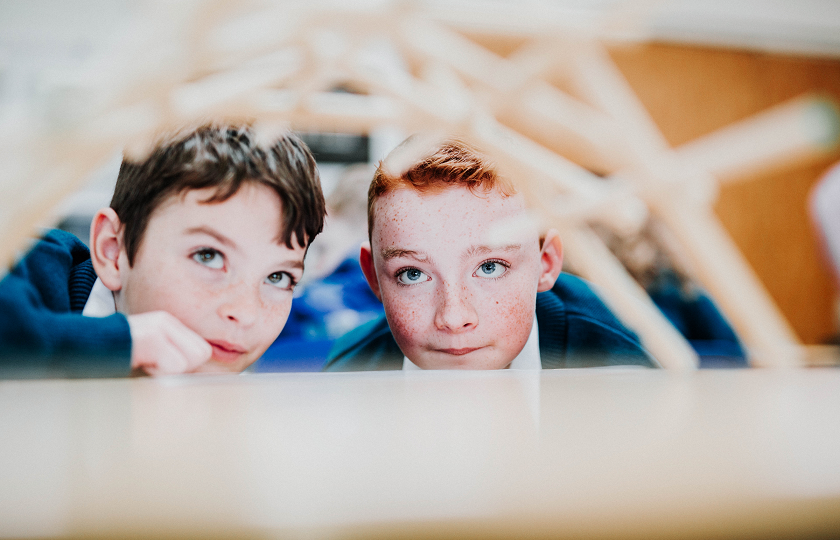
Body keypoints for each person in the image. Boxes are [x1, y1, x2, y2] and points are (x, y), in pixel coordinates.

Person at [0, 124, 326, 378]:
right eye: (208, 255)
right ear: (113, 250)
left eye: (278, 276)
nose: (245, 313)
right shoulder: (31, 263)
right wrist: (119, 344)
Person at [324, 138, 655, 371]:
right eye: (412, 274)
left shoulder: (619, 361)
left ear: (546, 262)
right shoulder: (351, 371)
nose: (453, 319)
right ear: (373, 276)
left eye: (491, 267)